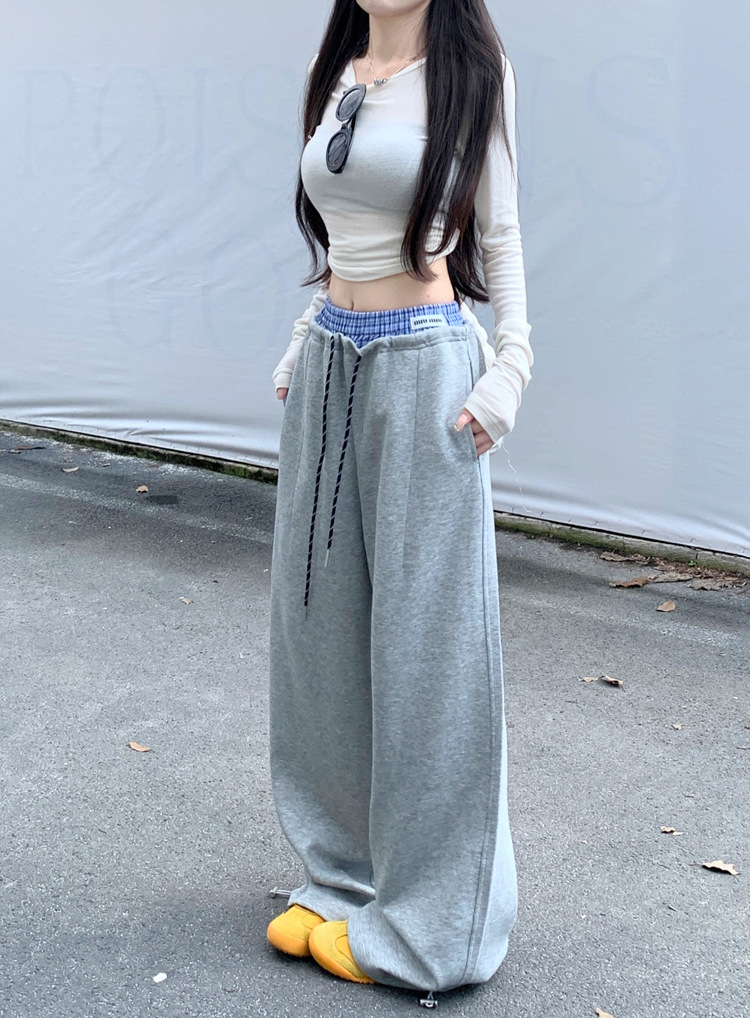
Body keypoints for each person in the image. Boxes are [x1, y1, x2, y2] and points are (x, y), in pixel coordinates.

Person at [266, 0, 533, 994]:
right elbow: (349, 234)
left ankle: (437, 930)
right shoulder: (341, 68)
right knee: (318, 636)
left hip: (425, 363)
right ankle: (344, 879)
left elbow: (499, 230)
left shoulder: (472, 69)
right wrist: (306, 337)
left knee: (431, 653)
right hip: (333, 358)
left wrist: (511, 368)